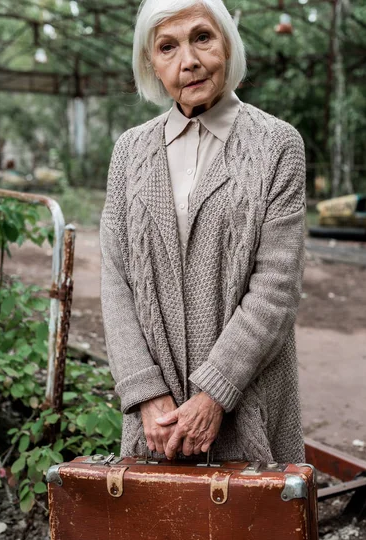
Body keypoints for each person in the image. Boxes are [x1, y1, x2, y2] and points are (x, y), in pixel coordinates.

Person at [100, 0, 307, 464]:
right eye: (167, 47)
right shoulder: (129, 152)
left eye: (202, 37)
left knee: (256, 530)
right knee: (161, 531)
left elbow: (276, 289)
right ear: (151, 64)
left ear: (227, 45)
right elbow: (115, 282)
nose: (188, 60)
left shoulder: (278, 145)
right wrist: (143, 392)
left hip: (247, 399)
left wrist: (214, 394)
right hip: (157, 419)